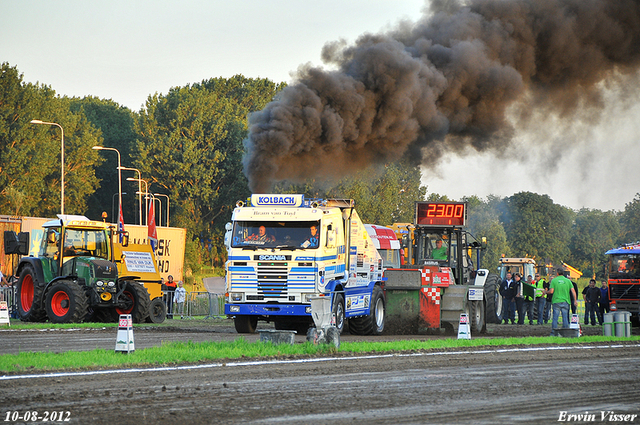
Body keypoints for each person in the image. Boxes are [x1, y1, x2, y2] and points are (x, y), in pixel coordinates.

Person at [548, 267, 577, 334]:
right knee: (565, 317)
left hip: (556, 301)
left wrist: (546, 292)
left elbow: (551, 291)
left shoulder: (554, 280)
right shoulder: (568, 281)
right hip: (566, 301)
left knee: (555, 317)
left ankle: (554, 332)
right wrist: (575, 300)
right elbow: (573, 291)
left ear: (557, 273)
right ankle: (565, 332)